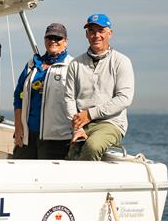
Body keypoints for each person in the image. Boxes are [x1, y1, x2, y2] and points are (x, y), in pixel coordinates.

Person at [65, 13, 134, 161]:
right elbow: (69, 98)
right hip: (82, 123)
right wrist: (77, 128)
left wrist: (90, 114)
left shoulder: (122, 61)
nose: (96, 35)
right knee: (71, 155)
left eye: (101, 30)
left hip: (111, 123)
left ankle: (83, 182)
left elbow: (124, 99)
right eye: (92, 31)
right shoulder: (75, 64)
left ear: (110, 33)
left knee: (93, 146)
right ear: (86, 34)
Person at [12, 22, 73, 160]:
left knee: (48, 180)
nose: (53, 41)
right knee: (20, 176)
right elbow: (18, 97)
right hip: (28, 136)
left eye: (58, 38)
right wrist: (18, 127)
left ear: (66, 42)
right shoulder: (32, 64)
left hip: (56, 139)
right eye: (50, 37)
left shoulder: (72, 66)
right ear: (45, 40)